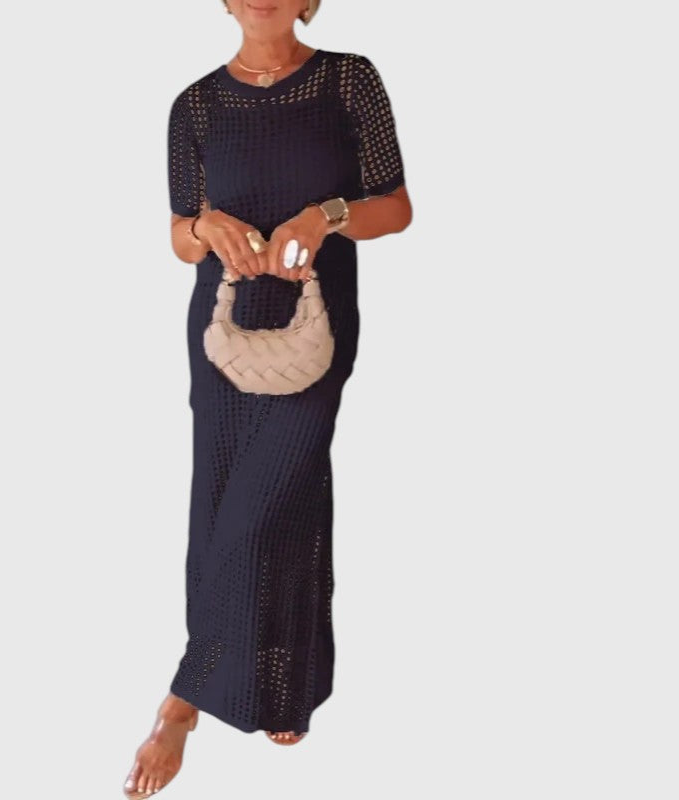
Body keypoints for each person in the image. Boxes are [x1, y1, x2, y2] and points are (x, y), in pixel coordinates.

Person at [123, 1, 412, 796]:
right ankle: (285, 687)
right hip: (222, 331)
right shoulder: (195, 106)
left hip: (315, 330)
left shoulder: (349, 81)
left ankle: (182, 701)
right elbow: (178, 234)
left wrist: (326, 217)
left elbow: (396, 208)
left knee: (266, 500)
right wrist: (206, 229)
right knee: (227, 504)